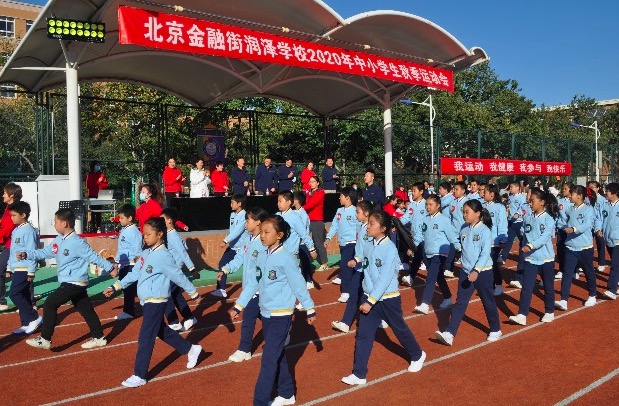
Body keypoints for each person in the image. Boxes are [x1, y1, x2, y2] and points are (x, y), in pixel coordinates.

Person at [103, 217, 202, 388]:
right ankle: (191, 349)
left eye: (148, 234)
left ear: (160, 234)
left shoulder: (164, 256)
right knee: (161, 331)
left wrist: (193, 292)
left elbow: (178, 276)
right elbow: (134, 274)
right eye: (144, 234)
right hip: (146, 301)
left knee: (146, 337)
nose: (145, 237)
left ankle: (140, 374)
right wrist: (116, 286)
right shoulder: (146, 253)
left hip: (157, 301)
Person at [230, 215, 316, 406]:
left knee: (268, 359)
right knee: (278, 354)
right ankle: (286, 393)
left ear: (279, 235)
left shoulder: (287, 258)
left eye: (267, 232)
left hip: (281, 316)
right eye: (261, 232)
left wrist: (309, 308)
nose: (262, 235)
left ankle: (259, 401)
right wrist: (239, 305)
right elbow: (253, 283)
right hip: (266, 314)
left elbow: (299, 285)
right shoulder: (261, 255)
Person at [341, 210, 426, 386]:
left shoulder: (390, 249)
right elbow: (363, 255)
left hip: (387, 299)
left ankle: (417, 355)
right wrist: (356, 260)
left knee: (399, 329)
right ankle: (359, 374)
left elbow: (385, 278)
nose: (368, 226)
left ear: (383, 228)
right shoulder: (369, 243)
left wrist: (370, 302)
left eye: (372, 223)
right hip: (369, 297)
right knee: (363, 335)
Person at [22, 208, 116, 350]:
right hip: (71, 282)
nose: (54, 224)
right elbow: (46, 252)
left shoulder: (78, 242)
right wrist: (27, 254)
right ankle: (99, 337)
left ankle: (45, 338)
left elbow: (93, 256)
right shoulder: (59, 240)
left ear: (64, 223)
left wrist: (110, 268)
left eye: (55, 222)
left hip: (75, 282)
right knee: (86, 310)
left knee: (50, 303)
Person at [435, 199, 502, 345]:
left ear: (477, 213)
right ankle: (449, 333)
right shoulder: (464, 229)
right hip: (466, 272)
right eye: (463, 212)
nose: (464, 215)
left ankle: (495, 329)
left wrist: (476, 270)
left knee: (488, 302)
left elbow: (485, 254)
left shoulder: (485, 231)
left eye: (467, 212)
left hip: (483, 273)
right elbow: (460, 243)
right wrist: (459, 248)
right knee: (460, 303)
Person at [218, 206, 269, 362]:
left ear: (258, 222)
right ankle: (282, 331)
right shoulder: (247, 239)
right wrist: (226, 269)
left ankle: (244, 349)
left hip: (259, 289)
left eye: (248, 220)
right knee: (263, 316)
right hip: (249, 287)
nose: (246, 223)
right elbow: (239, 257)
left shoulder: (264, 243)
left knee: (248, 317)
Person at [509, 188, 558, 326]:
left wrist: (530, 245)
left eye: (533, 201)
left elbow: (545, 237)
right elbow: (524, 233)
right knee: (526, 287)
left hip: (546, 259)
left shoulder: (548, 219)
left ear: (542, 202)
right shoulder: (528, 218)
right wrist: (525, 246)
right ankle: (522, 314)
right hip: (531, 259)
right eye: (529, 201)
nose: (530, 204)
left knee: (548, 287)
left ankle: (549, 311)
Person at [413, 195, 460, 314]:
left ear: (438, 206)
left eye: (431, 204)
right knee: (438, 276)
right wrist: (413, 246)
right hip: (428, 252)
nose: (428, 207)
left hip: (440, 253)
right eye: (426, 204)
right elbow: (420, 235)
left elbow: (452, 236)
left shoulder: (444, 220)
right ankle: (447, 297)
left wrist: (459, 247)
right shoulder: (425, 219)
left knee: (431, 277)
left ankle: (425, 304)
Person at [555, 185, 598, 310]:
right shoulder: (570, 209)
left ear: (579, 196)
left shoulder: (588, 209)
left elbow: (587, 225)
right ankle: (564, 299)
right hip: (570, 247)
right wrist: (563, 227)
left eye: (573, 193)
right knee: (567, 273)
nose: (570, 195)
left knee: (588, 272)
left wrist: (574, 229)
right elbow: (564, 221)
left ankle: (592, 295)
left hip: (585, 247)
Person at [332, 199, 372, 333]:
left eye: (358, 212)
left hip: (367, 269)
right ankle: (345, 322)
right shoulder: (361, 226)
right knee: (354, 295)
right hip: (359, 268)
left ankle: (381, 319)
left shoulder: (370, 229)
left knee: (372, 296)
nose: (356, 215)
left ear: (366, 213)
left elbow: (368, 249)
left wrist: (357, 259)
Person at [161, 208, 200, 331]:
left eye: (162, 219)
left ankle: (174, 321)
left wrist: (192, 269)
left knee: (166, 294)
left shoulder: (173, 236)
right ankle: (189, 317)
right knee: (176, 295)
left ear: (169, 221)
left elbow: (183, 253)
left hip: (174, 270)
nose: (160, 221)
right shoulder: (168, 234)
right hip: (170, 270)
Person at [6, 201, 42, 334]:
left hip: (24, 268)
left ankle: (34, 317)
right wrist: (9, 267)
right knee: (24, 295)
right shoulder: (16, 230)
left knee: (14, 293)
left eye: (14, 215)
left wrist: (31, 271)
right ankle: (25, 323)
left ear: (23, 215)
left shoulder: (29, 231)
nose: (12, 218)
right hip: (17, 268)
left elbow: (32, 252)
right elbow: (13, 251)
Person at [325, 187, 359, 306]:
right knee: (352, 267)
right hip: (342, 243)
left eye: (341, 196)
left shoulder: (355, 211)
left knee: (345, 266)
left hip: (352, 243)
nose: (339, 198)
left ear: (348, 198)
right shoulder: (339, 210)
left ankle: (346, 292)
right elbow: (334, 225)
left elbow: (359, 227)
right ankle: (357, 288)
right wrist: (328, 238)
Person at [113, 203, 143, 321]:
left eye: (122, 218)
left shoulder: (134, 232)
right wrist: (116, 262)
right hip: (124, 264)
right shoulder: (124, 230)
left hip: (131, 265)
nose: (119, 220)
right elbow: (121, 248)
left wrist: (137, 261)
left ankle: (129, 311)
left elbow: (138, 249)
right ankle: (130, 309)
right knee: (126, 287)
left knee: (130, 287)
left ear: (130, 218)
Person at [213, 194, 247, 298]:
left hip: (242, 248)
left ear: (239, 204)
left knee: (248, 268)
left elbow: (238, 231)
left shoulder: (244, 216)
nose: (231, 204)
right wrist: (228, 240)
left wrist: (225, 240)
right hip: (232, 247)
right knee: (222, 264)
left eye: (232, 202)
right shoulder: (232, 215)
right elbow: (232, 230)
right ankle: (221, 289)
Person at [0, 182, 22, 311]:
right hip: (9, 246)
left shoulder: (14, 209)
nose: (3, 195)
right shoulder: (8, 208)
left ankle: (28, 302)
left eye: (4, 193)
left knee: (22, 272)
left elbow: (7, 229)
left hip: (14, 246)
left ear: (11, 195)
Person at [483, 184, 508, 296]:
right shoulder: (482, 206)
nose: (483, 194)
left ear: (492, 194)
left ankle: (498, 284)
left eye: (485, 192)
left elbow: (502, 223)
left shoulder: (499, 207)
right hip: (484, 241)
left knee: (492, 263)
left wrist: (502, 239)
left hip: (495, 241)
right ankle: (490, 285)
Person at [304, 176, 329, 272]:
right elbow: (308, 203)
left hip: (317, 221)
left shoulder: (320, 192)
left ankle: (324, 263)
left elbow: (311, 205)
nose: (311, 183)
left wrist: (300, 209)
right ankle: (307, 260)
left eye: (313, 181)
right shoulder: (309, 193)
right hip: (309, 220)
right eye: (310, 182)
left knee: (319, 244)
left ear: (318, 183)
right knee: (307, 241)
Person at [599, 182, 619, 300]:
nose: (605, 193)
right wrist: (599, 229)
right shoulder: (605, 205)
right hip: (608, 239)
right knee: (616, 264)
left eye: (607, 191)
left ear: (614, 193)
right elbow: (599, 218)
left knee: (615, 265)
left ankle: (611, 290)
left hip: (618, 241)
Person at [499, 181, 526, 264]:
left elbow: (523, 208)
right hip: (511, 222)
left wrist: (518, 213)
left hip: (519, 222)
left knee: (522, 240)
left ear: (517, 188)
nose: (510, 189)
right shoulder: (510, 197)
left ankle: (524, 257)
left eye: (512, 187)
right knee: (509, 240)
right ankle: (503, 256)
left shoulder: (522, 197)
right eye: (510, 187)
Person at [293, 191, 314, 287]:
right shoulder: (293, 212)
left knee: (305, 262)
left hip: (303, 243)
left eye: (292, 199)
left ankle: (309, 280)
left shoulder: (303, 214)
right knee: (298, 262)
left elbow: (302, 229)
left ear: (297, 201)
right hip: (295, 242)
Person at [587, 180, 607, 272]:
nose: (590, 189)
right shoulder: (587, 199)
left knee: (600, 244)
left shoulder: (602, 200)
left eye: (592, 187)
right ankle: (586, 263)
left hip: (599, 225)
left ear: (598, 188)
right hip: (589, 225)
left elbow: (602, 215)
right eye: (589, 188)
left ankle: (601, 263)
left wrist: (599, 228)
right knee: (587, 245)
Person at [555, 182, 574, 279]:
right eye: (562, 188)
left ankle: (574, 269)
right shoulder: (559, 200)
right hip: (561, 228)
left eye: (565, 189)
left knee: (571, 250)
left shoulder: (574, 201)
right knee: (560, 249)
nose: (563, 190)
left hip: (571, 229)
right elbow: (556, 214)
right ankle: (561, 269)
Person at [85, 161, 109, 231]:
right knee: (93, 211)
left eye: (98, 165)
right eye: (96, 165)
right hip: (92, 194)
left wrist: (99, 183)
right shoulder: (90, 175)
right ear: (93, 166)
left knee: (99, 211)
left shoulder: (101, 174)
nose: (98, 166)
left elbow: (106, 184)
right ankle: (93, 226)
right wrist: (98, 182)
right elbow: (88, 185)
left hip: (100, 195)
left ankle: (98, 226)